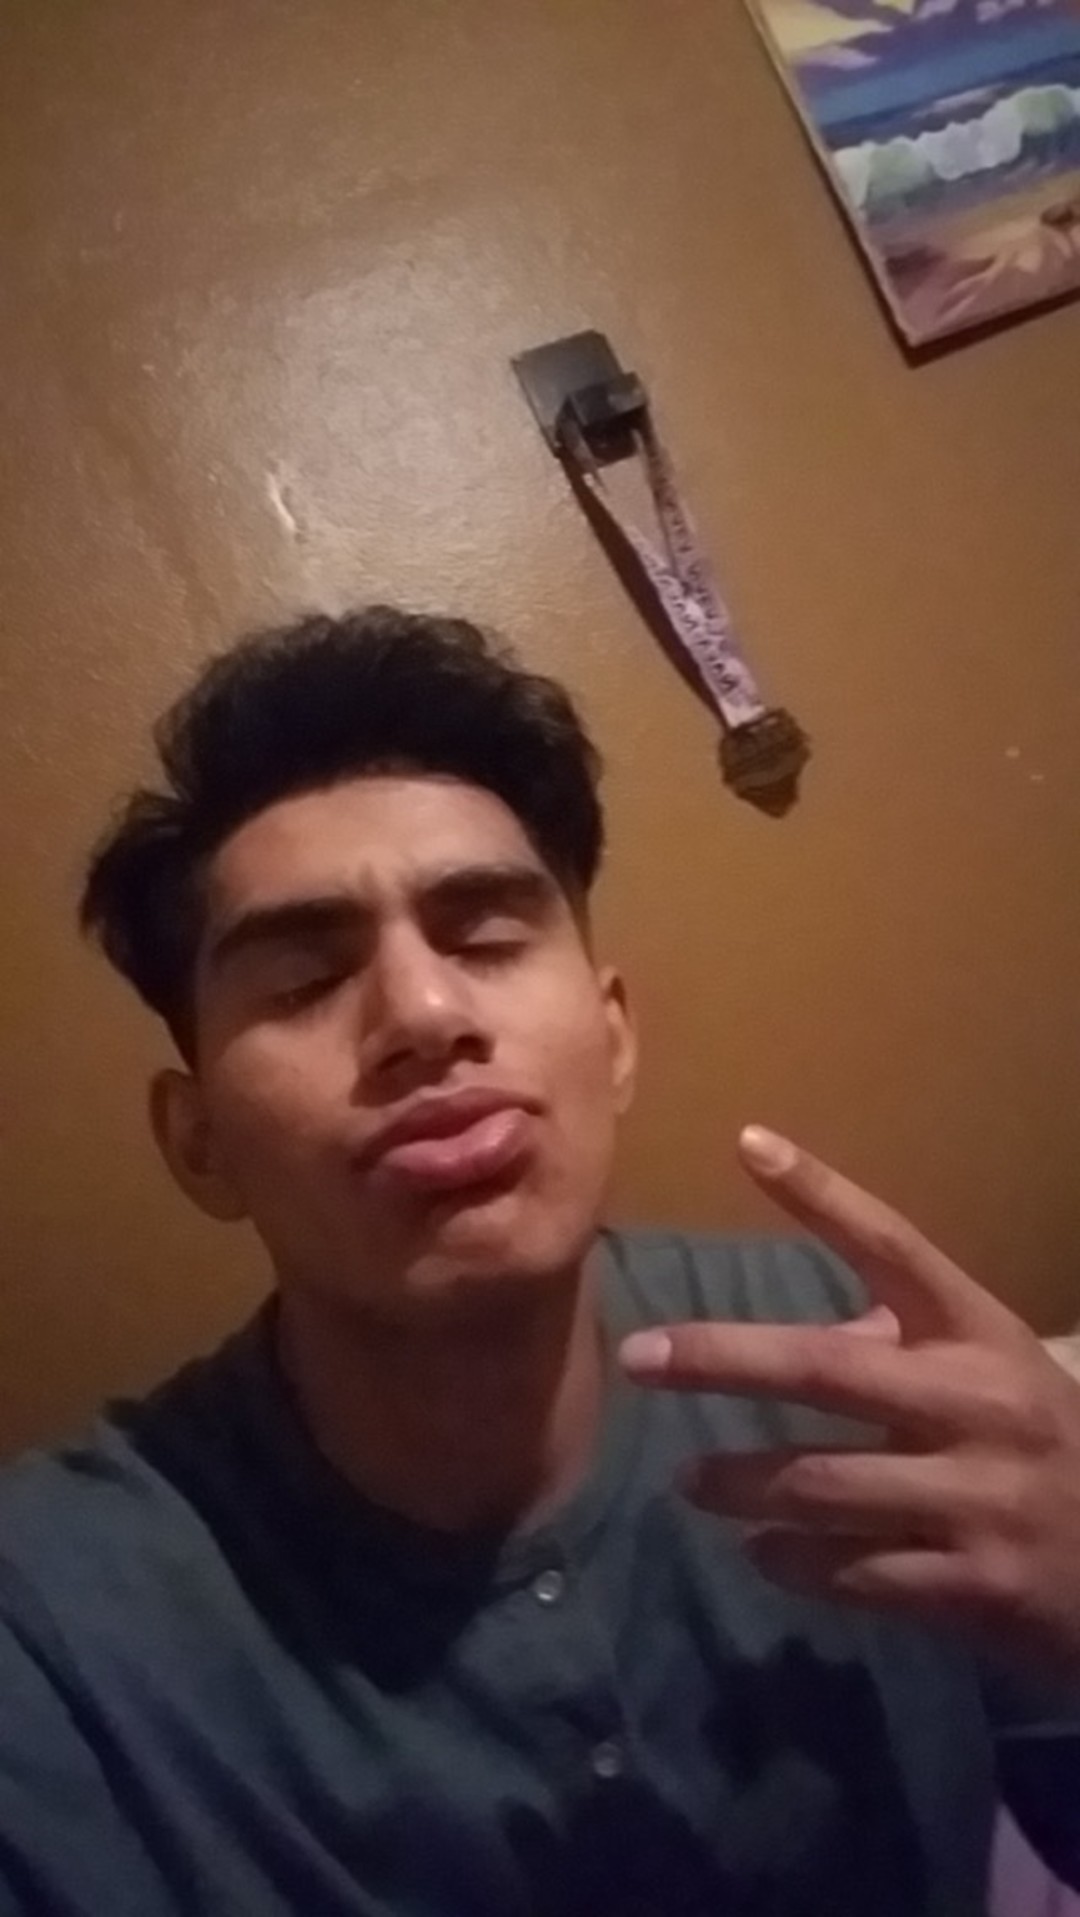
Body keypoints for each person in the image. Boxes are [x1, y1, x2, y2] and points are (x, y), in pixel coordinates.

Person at [1, 605, 1078, 1916]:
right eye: (300, 980)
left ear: (613, 1038)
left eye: (486, 937)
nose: (424, 1014)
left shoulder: (858, 1357)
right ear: (199, 1141)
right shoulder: (53, 1629)